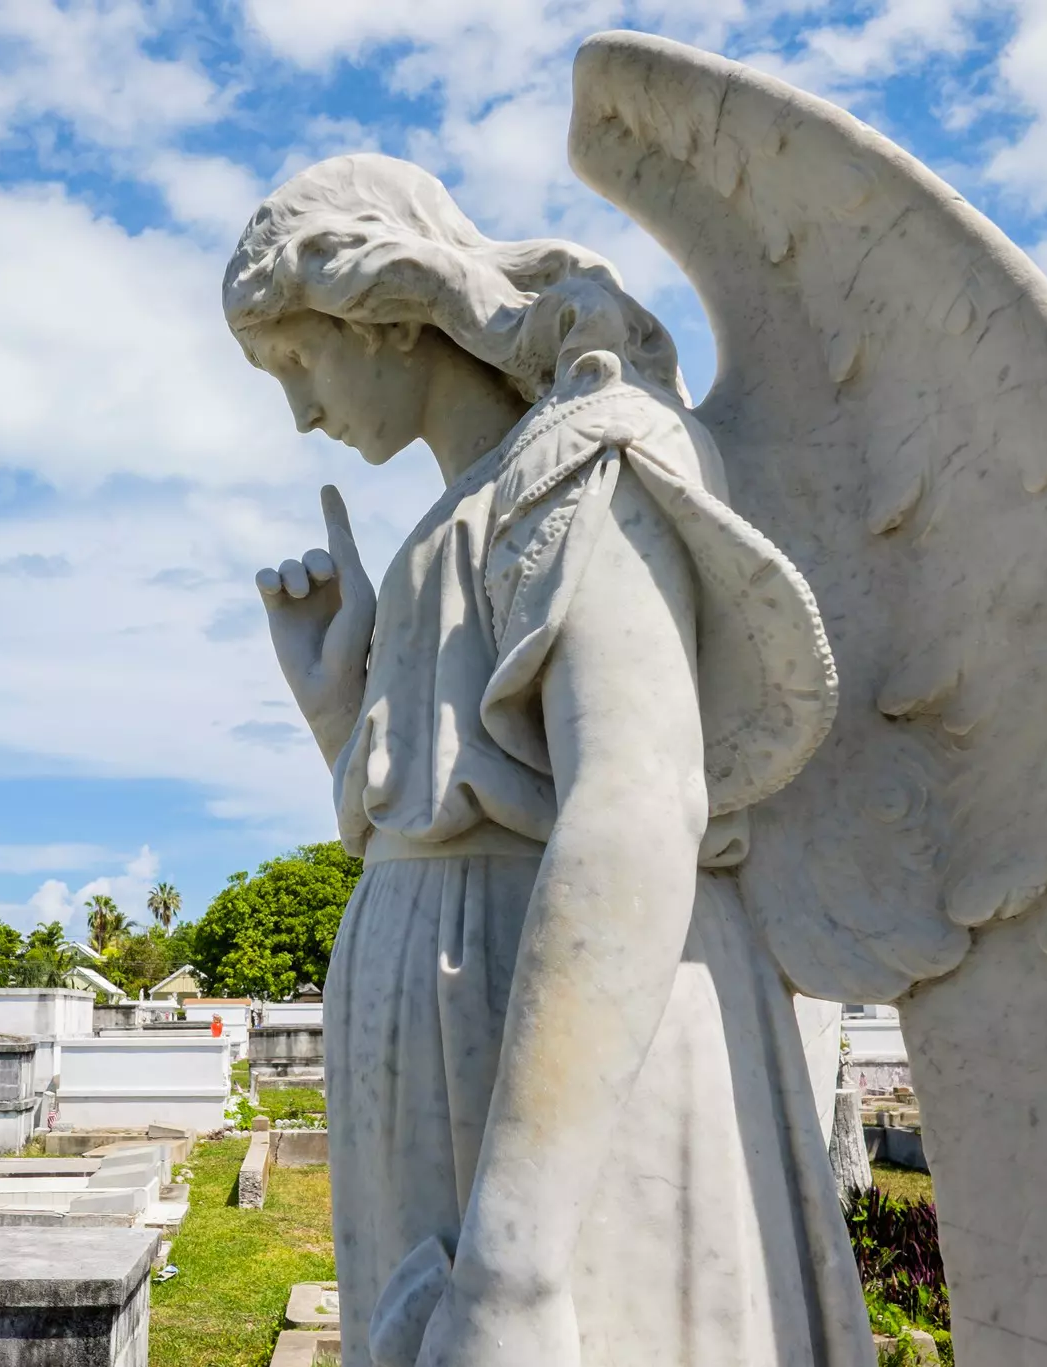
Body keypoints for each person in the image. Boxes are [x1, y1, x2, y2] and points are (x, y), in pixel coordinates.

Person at [223, 153, 870, 1367]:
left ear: (388, 307)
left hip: (553, 1078)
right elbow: (461, 798)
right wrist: (339, 712)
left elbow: (637, 800)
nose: (300, 412)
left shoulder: (595, 456)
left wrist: (518, 1261)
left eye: (297, 361)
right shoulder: (452, 520)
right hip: (439, 1066)